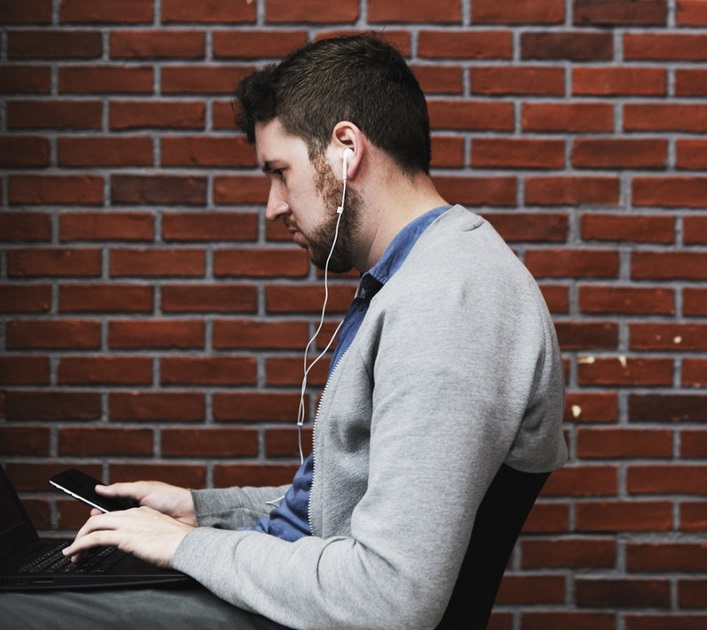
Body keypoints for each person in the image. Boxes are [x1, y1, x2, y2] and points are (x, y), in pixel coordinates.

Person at [3, 34, 567, 629]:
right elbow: (345, 507)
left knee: (11, 610)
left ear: (346, 149)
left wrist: (182, 547)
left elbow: (391, 596)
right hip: (292, 594)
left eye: (280, 171)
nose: (272, 206)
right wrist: (202, 512)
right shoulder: (417, 275)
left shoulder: (449, 302)